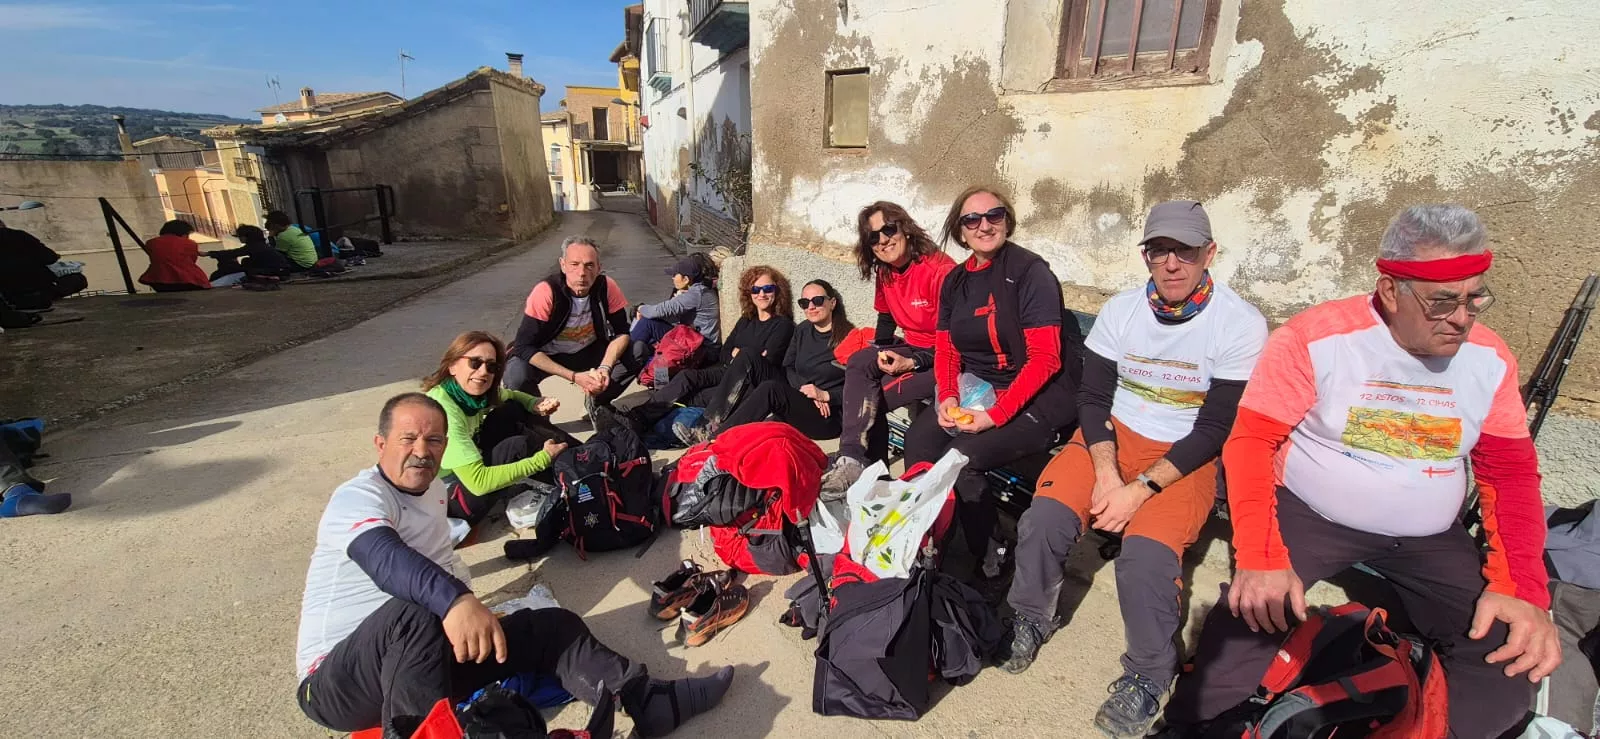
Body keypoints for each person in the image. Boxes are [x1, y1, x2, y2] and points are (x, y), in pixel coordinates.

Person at [1159, 205, 1559, 738]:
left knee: (1506, 661)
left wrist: (1523, 589)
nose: (1462, 318)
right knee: (1242, 629)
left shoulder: (1489, 358)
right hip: (1314, 515)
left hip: (1429, 536)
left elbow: (1509, 474)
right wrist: (1260, 558)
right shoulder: (1316, 338)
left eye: (1474, 298)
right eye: (1443, 301)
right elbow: (1252, 442)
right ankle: (1187, 727)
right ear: (1391, 291)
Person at [294, 393, 733, 736]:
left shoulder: (432, 494)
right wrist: (456, 602)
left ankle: (649, 702)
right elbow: (384, 558)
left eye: (434, 440)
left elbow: (445, 567)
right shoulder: (358, 497)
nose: (421, 451)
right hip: (335, 683)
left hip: (421, 656)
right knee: (416, 611)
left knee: (551, 627)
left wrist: (484, 616)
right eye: (408, 439)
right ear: (381, 443)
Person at [996, 201, 1268, 737]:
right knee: (1044, 519)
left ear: (1209, 254)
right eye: (1159, 250)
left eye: (1185, 250)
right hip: (1111, 436)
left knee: (1145, 560)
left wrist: (1137, 490)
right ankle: (1031, 615)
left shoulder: (1239, 323)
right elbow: (1094, 397)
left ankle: (1148, 672)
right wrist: (1106, 474)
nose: (1172, 263)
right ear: (1146, 256)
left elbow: (1215, 427)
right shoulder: (1122, 310)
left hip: (1186, 452)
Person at [902, 186, 1081, 592]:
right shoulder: (956, 281)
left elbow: (1045, 360)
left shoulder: (1030, 273)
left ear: (1007, 221)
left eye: (993, 216)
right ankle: (933, 538)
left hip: (1039, 397)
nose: (984, 226)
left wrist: (995, 416)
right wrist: (948, 395)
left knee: (962, 460)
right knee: (919, 440)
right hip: (979, 390)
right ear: (960, 231)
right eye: (972, 219)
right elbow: (947, 348)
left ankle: (991, 554)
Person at [819, 201, 956, 498]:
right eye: (873, 237)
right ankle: (853, 460)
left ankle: (873, 476)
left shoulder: (939, 271)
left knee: (872, 399)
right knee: (859, 361)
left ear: (904, 229)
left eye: (888, 230)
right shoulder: (886, 272)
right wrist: (880, 350)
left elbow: (959, 340)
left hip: (946, 356)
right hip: (912, 345)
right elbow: (886, 318)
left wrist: (913, 362)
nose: (882, 240)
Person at [600, 265, 794, 435]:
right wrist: (739, 355)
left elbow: (766, 361)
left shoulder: (783, 325)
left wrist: (740, 353)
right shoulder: (746, 320)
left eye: (768, 289)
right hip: (726, 369)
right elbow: (725, 352)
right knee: (686, 377)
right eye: (756, 289)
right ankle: (636, 417)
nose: (761, 294)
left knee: (695, 397)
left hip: (748, 381)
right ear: (749, 293)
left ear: (777, 291)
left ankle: (645, 422)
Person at [421, 331, 576, 527]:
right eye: (475, 363)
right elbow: (479, 483)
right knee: (516, 448)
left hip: (466, 470)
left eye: (491, 366)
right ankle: (576, 480)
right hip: (446, 500)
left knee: (510, 410)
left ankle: (580, 457)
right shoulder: (442, 413)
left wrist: (534, 403)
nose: (483, 372)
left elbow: (511, 395)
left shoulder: (469, 394)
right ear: (452, 365)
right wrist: (541, 460)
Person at [674, 279, 852, 445]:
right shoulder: (803, 329)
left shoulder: (849, 338)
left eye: (818, 301)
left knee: (770, 390)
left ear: (832, 303)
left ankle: (716, 440)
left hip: (825, 416)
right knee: (748, 355)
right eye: (805, 303)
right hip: (799, 394)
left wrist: (825, 395)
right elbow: (787, 367)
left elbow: (858, 387)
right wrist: (806, 388)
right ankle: (710, 423)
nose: (811, 307)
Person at [505, 237, 639, 424]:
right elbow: (523, 346)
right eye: (574, 264)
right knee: (515, 374)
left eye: (589, 265)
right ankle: (538, 422)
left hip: (588, 351)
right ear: (563, 265)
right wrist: (575, 377)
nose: (582, 273)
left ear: (598, 268)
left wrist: (604, 368)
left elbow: (622, 332)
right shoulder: (546, 291)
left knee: (638, 350)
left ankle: (596, 400)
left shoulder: (606, 287)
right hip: (548, 354)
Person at [629, 253, 721, 361]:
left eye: (675, 275)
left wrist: (639, 308)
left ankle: (628, 357)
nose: (672, 277)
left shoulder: (696, 294)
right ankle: (639, 359)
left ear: (686, 279)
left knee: (647, 323)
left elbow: (658, 311)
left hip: (702, 350)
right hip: (695, 342)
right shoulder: (700, 290)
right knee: (654, 344)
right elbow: (670, 317)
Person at [0, 218, 87, 310]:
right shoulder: (19, 235)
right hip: (38, 287)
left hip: (8, 294)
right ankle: (40, 298)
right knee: (79, 279)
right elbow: (50, 258)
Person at [138, 220, 213, 292]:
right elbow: (191, 261)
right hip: (186, 279)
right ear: (184, 233)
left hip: (157, 279)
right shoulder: (190, 244)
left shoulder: (151, 243)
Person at [205, 224, 291, 281]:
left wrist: (209, 253)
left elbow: (234, 253)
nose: (239, 238)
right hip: (281, 269)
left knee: (245, 269)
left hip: (277, 270)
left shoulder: (255, 246)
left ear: (247, 236)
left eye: (240, 236)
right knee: (246, 261)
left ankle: (265, 277)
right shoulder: (259, 245)